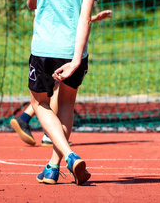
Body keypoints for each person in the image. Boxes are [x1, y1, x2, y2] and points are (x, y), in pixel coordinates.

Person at [26, 0, 98, 185]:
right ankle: (52, 168)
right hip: (73, 52)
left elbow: (31, 5)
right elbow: (85, 19)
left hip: (43, 50)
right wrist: (77, 60)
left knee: (40, 104)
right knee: (66, 103)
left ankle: (68, 157)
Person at [10, 9, 112, 147]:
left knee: (50, 90)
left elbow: (62, 16)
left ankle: (25, 118)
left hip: (47, 46)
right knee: (58, 90)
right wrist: (91, 18)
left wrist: (93, 18)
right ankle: (49, 134)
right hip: (56, 46)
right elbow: (61, 17)